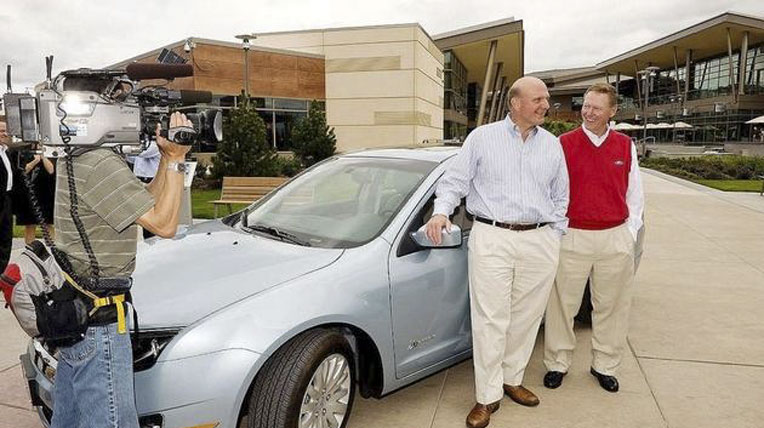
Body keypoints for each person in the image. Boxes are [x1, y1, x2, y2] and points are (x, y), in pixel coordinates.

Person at [425, 76, 569, 428]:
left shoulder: (552, 145)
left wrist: (554, 234)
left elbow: (561, 194)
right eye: (538, 99)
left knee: (527, 316)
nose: (545, 105)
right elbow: (455, 181)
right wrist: (441, 212)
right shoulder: (482, 138)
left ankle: (512, 378)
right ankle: (487, 396)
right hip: (493, 236)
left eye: (546, 99)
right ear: (515, 103)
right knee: (490, 319)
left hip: (539, 239)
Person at [50, 112, 192, 428]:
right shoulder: (101, 162)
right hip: (100, 322)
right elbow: (164, 224)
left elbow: (145, 204)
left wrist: (164, 159)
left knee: (71, 421)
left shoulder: (80, 154)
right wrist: (177, 160)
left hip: (80, 312)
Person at [542, 83, 644, 393]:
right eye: (586, 105)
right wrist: (557, 230)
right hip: (573, 236)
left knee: (612, 307)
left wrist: (629, 233)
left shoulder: (625, 145)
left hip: (614, 237)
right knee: (562, 306)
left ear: (612, 111)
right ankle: (557, 363)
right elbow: (551, 190)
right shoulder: (563, 144)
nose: (588, 112)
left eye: (596, 108)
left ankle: (605, 365)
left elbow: (635, 194)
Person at [13, 154, 56, 244]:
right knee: (30, 224)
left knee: (47, 223)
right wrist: (35, 161)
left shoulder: (50, 154)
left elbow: (51, 170)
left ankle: (53, 246)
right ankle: (30, 247)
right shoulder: (23, 153)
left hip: (45, 194)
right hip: (28, 194)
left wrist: (43, 157)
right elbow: (23, 171)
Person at [0, 120, 13, 274]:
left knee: (6, 237)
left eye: (5, 131)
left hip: (7, 198)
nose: (4, 134)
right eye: (1, 131)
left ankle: (2, 272)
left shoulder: (6, 152)